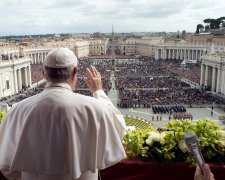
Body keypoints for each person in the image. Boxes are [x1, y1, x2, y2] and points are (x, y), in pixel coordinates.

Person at [0, 47, 126, 180]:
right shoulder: (95, 108)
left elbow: (5, 163)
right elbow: (118, 130)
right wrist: (98, 91)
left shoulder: (18, 110)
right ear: (75, 72)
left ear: (43, 73)